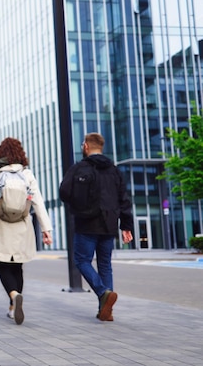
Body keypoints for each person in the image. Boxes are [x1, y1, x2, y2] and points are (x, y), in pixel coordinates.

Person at [59, 132, 133, 321]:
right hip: (109, 224)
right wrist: (126, 226)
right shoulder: (114, 171)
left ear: (85, 146)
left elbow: (64, 192)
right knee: (105, 265)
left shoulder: (79, 168)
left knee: (82, 260)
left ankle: (102, 292)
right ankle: (106, 311)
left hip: (86, 223)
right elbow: (124, 199)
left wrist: (77, 206)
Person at [0, 137, 53, 325]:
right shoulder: (27, 174)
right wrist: (46, 229)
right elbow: (38, 202)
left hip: (1, 225)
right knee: (17, 266)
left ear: (1, 154)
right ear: (20, 153)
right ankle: (14, 305)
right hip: (22, 225)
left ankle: (13, 296)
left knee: (1, 264)